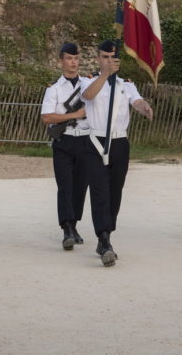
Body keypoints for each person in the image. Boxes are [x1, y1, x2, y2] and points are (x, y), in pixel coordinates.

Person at [82, 40, 153, 268]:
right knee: (99, 190)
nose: (108, 61)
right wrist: (104, 74)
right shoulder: (90, 81)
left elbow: (137, 101)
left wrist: (144, 107)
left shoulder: (126, 85)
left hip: (119, 142)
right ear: (98, 59)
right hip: (95, 141)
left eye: (112, 58)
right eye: (104, 57)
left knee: (115, 191)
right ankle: (103, 239)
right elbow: (89, 96)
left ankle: (107, 233)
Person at [40, 42, 104, 251]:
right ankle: (66, 227)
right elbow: (47, 117)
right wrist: (74, 115)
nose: (73, 62)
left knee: (80, 187)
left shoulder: (88, 85)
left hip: (86, 141)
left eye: (76, 59)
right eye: (69, 58)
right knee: (65, 186)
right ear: (61, 62)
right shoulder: (54, 89)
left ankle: (74, 225)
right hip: (64, 141)